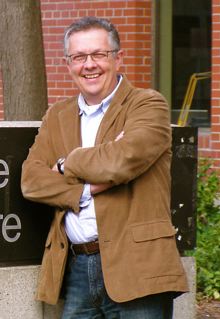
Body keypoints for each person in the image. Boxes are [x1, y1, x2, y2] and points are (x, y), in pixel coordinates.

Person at [21, 16, 188, 319]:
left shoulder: (147, 105)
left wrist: (64, 164)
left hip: (139, 268)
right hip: (76, 271)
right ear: (68, 63)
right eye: (79, 57)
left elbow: (120, 161)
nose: (89, 65)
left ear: (118, 58)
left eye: (99, 54)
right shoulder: (57, 115)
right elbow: (31, 180)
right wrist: (84, 189)